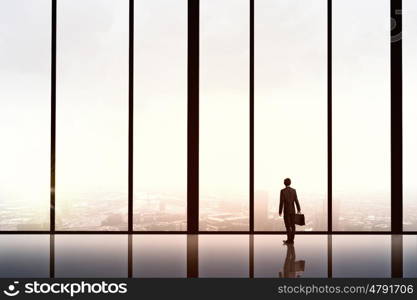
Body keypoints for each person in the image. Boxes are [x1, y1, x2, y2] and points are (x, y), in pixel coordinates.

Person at [279, 178, 301, 244]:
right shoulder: (294, 190)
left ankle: (289, 240)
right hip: (293, 210)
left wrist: (280, 211)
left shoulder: (282, 191)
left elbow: (281, 202)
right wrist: (298, 209)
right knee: (293, 225)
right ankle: (292, 240)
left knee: (288, 226)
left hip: (286, 211)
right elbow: (296, 200)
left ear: (284, 183)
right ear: (290, 183)